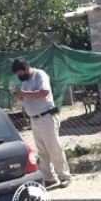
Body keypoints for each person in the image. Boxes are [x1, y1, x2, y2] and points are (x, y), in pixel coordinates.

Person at [10, 57, 71, 188]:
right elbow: (24, 98)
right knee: (42, 150)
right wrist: (18, 95)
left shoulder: (40, 75)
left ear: (26, 68)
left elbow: (44, 93)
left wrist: (24, 93)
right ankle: (49, 177)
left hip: (46, 116)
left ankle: (64, 176)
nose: (19, 76)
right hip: (34, 119)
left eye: (19, 73)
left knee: (53, 147)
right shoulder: (25, 82)